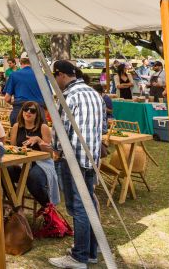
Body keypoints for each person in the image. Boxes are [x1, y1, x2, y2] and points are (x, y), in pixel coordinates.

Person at [49, 60, 105, 269]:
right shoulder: (94, 93)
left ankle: (79, 256)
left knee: (78, 207)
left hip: (73, 158)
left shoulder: (68, 96)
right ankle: (90, 251)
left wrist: (55, 150)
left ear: (61, 75)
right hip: (91, 157)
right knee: (88, 204)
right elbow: (103, 126)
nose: (56, 82)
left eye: (55, 77)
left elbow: (60, 129)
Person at [6, 100, 57, 210]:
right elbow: (13, 148)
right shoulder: (16, 126)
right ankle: (16, 204)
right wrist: (20, 150)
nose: (28, 112)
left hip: (40, 163)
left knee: (33, 178)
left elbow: (49, 154)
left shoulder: (43, 127)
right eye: (25, 109)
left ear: (37, 114)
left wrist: (38, 140)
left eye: (32, 111)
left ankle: (48, 208)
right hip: (21, 163)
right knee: (5, 172)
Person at [3, 57, 45, 126]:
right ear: (32, 63)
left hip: (19, 111)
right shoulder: (42, 76)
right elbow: (49, 99)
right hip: (38, 112)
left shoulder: (14, 75)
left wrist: (12, 103)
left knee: (17, 135)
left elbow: (7, 98)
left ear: (20, 63)